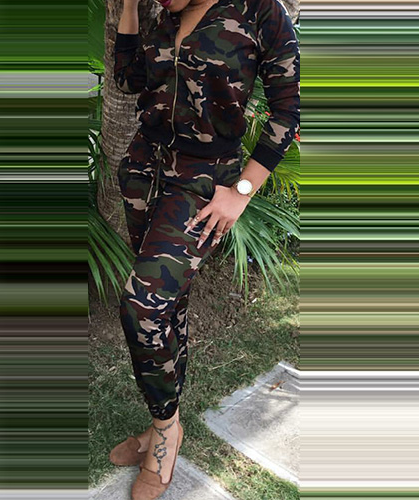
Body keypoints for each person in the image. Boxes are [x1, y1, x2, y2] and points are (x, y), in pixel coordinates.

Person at [110, 0, 300, 498]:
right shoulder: (162, 13)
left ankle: (165, 431)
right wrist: (129, 8)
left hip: (202, 184)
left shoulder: (261, 11)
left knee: (143, 304)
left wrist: (242, 191)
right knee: (168, 306)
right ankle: (163, 421)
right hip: (143, 173)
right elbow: (128, 79)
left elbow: (287, 111)